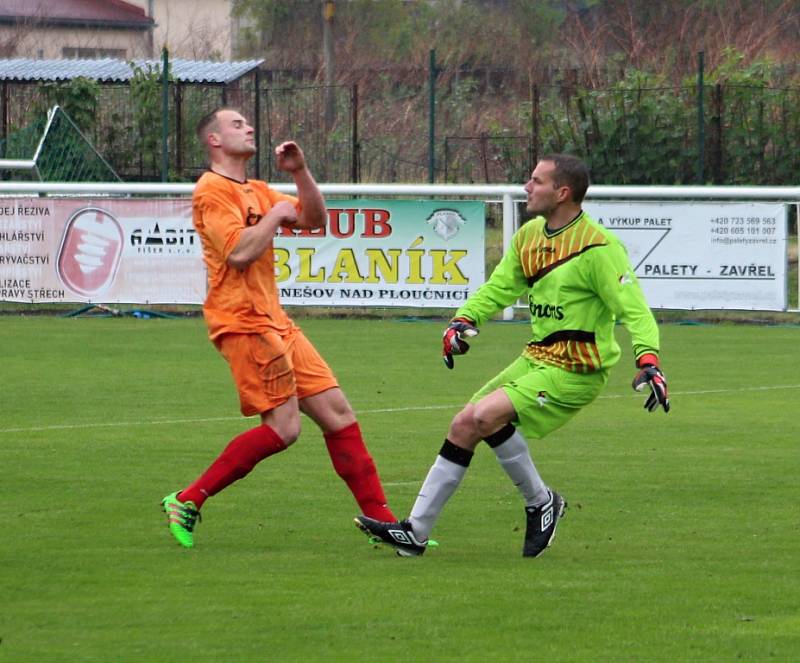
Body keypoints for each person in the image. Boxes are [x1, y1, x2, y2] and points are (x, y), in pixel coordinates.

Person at [355, 154, 670, 557]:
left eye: (535, 181)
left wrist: (648, 360)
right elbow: (501, 286)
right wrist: (464, 318)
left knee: (487, 415)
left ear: (562, 192)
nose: (526, 187)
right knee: (464, 424)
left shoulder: (599, 247)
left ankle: (540, 503)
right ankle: (415, 533)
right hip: (537, 357)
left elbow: (635, 310)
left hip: (576, 369)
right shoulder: (529, 237)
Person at [161, 107, 396, 548]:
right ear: (213, 140)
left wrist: (301, 172)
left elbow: (313, 219)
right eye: (236, 124)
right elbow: (237, 253)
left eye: (248, 122)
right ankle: (187, 499)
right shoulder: (211, 191)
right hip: (242, 321)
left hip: (275, 320)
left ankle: (384, 523)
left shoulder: (257, 189)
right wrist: (274, 216)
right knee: (286, 429)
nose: (248, 127)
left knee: (338, 414)